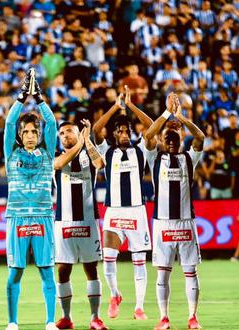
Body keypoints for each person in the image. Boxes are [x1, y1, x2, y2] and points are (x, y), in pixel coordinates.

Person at [92, 86, 155, 320]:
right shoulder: (107, 152)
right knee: (108, 257)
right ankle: (115, 294)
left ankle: (139, 306)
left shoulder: (141, 151)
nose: (124, 133)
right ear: (114, 135)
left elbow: (151, 126)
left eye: (126, 129)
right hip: (114, 211)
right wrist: (116, 107)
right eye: (119, 131)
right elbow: (97, 129)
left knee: (139, 261)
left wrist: (131, 107)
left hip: (137, 212)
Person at [143, 93, 205, 330]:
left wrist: (181, 118)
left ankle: (192, 317)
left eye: (176, 130)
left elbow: (200, 137)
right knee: (163, 274)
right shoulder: (154, 157)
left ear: (182, 135)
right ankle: (164, 318)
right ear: (161, 136)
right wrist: (167, 115)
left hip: (185, 223)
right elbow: (148, 136)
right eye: (168, 130)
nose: (172, 134)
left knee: (190, 271)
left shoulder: (190, 158)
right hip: (163, 224)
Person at [4, 69, 58, 330]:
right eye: (25, 131)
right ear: (20, 135)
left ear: (38, 135)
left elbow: (53, 126)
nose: (29, 134)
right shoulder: (10, 154)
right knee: (15, 272)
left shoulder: (47, 154)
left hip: (44, 216)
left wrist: (39, 99)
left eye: (33, 131)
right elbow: (8, 124)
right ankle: (13, 322)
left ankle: (50, 321)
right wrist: (22, 98)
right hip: (16, 217)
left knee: (47, 270)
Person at [53, 119, 107, 330]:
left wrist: (88, 142)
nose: (66, 135)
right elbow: (58, 166)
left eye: (70, 132)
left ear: (78, 133)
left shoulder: (87, 155)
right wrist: (81, 142)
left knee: (91, 269)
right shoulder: (57, 156)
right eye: (62, 133)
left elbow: (99, 164)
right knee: (63, 270)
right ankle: (66, 317)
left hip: (88, 221)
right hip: (63, 223)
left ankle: (95, 318)